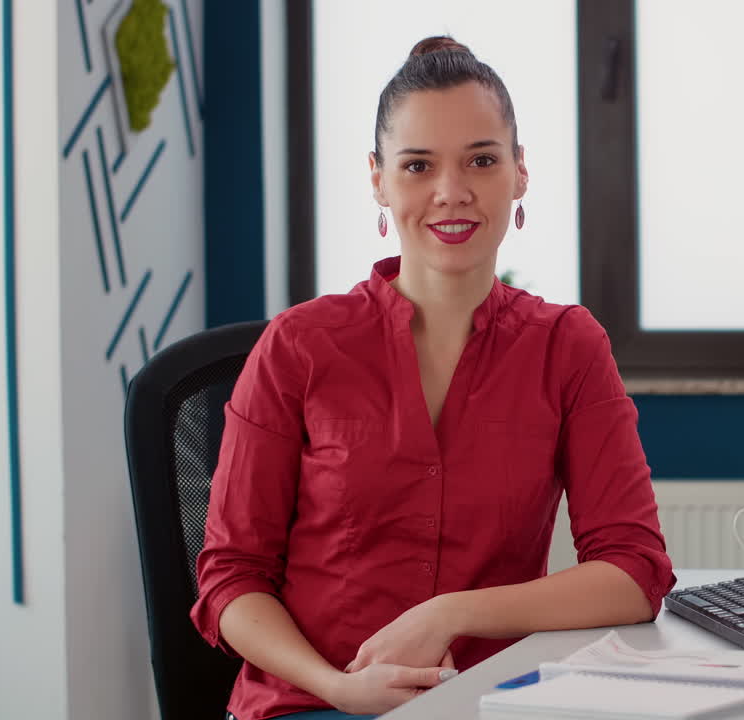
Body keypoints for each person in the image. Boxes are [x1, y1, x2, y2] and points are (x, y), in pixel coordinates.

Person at [191, 36, 676, 720]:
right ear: (378, 179)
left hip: (487, 702)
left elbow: (634, 572)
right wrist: (338, 687)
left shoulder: (568, 346)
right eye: (418, 165)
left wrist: (451, 615)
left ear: (521, 172)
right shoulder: (297, 346)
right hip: (312, 704)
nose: (452, 193)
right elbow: (229, 580)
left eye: (482, 159)